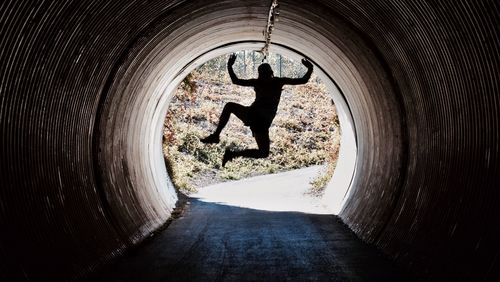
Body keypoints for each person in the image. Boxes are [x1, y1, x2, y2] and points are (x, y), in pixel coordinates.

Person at [201, 53, 314, 167]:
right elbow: (303, 80)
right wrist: (310, 68)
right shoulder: (277, 81)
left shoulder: (260, 81)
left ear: (263, 74)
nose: (264, 78)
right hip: (260, 119)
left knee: (263, 152)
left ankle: (224, 145)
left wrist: (230, 66)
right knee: (263, 152)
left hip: (255, 117)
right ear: (271, 73)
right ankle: (228, 150)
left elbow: (236, 80)